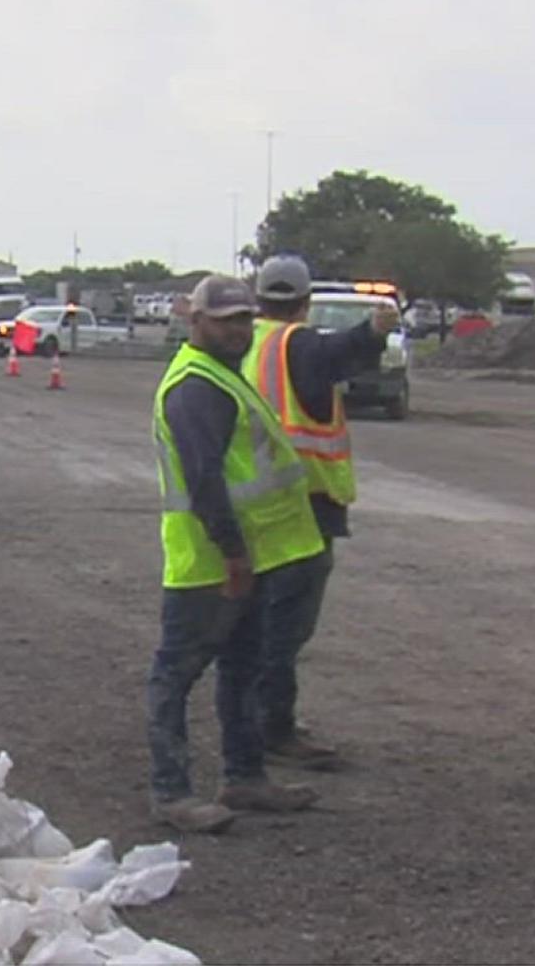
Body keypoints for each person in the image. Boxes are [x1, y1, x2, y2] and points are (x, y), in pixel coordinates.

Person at [146, 275, 327, 834]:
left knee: (244, 667)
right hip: (209, 562)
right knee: (177, 674)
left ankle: (244, 776)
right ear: (195, 320)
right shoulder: (197, 386)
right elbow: (203, 480)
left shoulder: (223, 377)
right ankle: (171, 792)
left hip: (249, 555)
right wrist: (231, 553)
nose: (239, 330)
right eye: (226, 320)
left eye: (245, 319)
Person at [242, 255, 399, 768]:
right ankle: (274, 727)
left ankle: (249, 717)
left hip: (251, 498)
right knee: (286, 622)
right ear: (305, 301)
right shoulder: (296, 343)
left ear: (259, 296)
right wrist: (376, 328)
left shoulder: (246, 342)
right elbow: (339, 352)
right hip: (302, 501)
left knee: (257, 614)